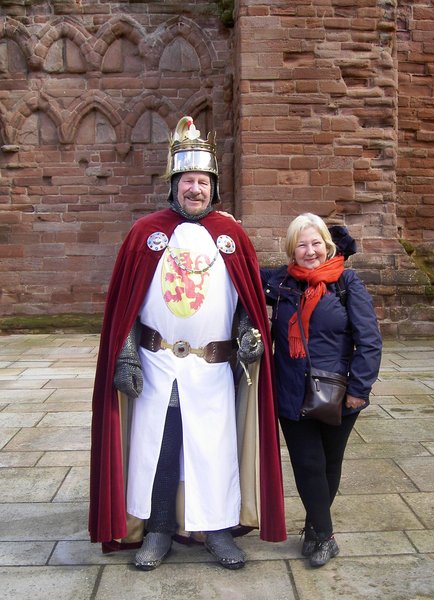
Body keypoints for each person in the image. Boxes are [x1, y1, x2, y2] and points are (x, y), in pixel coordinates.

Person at [88, 116, 286, 571]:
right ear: (173, 185)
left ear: (213, 188)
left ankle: (216, 530)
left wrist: (246, 335)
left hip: (213, 368)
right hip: (156, 363)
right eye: (186, 181)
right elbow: (126, 304)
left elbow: (245, 301)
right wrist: (123, 354)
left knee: (213, 451)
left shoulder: (232, 235)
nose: (194, 189)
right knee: (159, 448)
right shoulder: (145, 233)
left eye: (202, 181)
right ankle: (157, 531)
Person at [261, 213, 382, 568]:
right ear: (291, 249)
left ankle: (315, 529)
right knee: (307, 463)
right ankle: (325, 537)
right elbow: (240, 272)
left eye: (316, 243)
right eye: (302, 244)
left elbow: (369, 340)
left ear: (327, 246)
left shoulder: (346, 282)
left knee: (330, 462)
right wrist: (227, 232)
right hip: (291, 391)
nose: (310, 251)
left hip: (339, 392)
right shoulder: (280, 283)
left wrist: (359, 389)